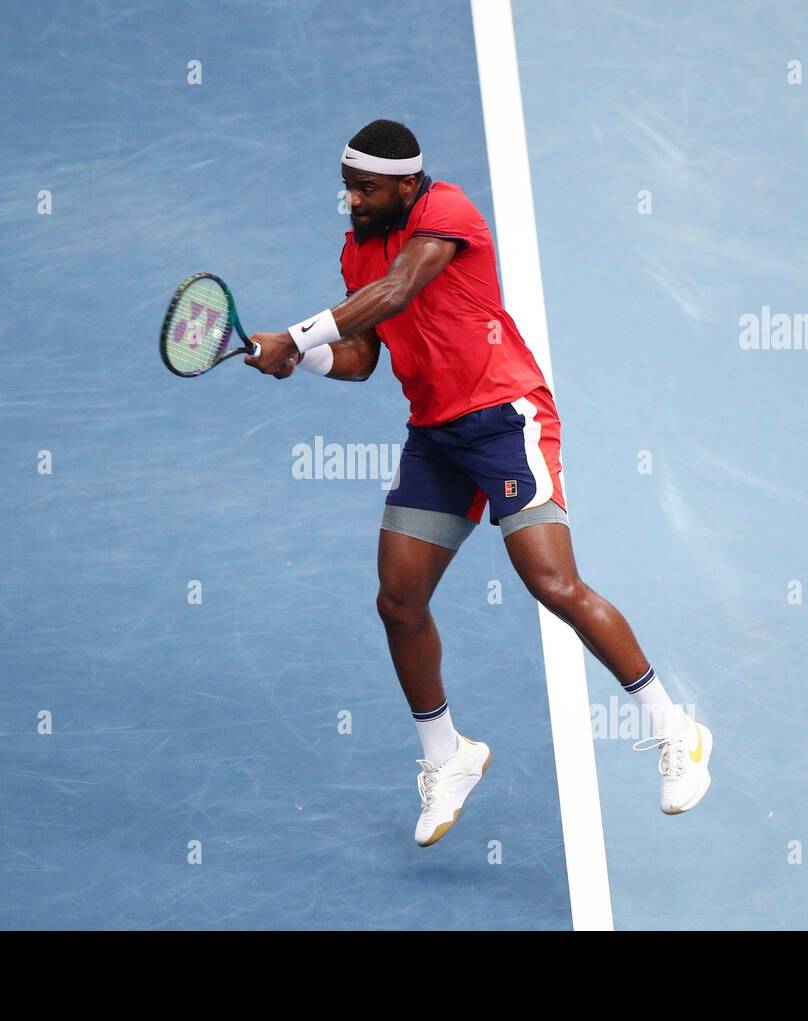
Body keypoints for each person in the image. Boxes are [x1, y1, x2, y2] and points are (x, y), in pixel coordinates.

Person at [246, 119, 712, 846]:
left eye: (366, 189)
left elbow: (400, 292)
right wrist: (299, 360)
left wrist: (297, 335)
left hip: (503, 418)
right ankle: (448, 757)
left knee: (553, 584)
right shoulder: (356, 246)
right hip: (435, 436)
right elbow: (366, 356)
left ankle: (675, 730)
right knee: (398, 602)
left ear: (406, 185)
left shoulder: (448, 213)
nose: (353, 201)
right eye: (347, 188)